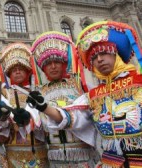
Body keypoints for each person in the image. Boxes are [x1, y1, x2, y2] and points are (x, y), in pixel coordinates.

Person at [76, 21, 142, 167]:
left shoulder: (138, 81)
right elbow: (72, 117)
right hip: (110, 162)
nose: (99, 59)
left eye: (104, 52)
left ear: (117, 55)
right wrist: (43, 108)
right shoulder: (92, 95)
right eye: (93, 57)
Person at [29, 31, 98, 167]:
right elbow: (36, 127)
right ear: (43, 67)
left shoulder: (81, 86)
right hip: (55, 159)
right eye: (49, 63)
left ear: (65, 63)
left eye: (57, 62)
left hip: (84, 157)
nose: (53, 66)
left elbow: (85, 118)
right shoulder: (40, 92)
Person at [0, 42, 48, 167]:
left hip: (39, 149)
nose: (17, 72)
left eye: (21, 69)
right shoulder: (5, 93)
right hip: (13, 151)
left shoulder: (38, 91)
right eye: (14, 70)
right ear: (9, 74)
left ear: (27, 72)